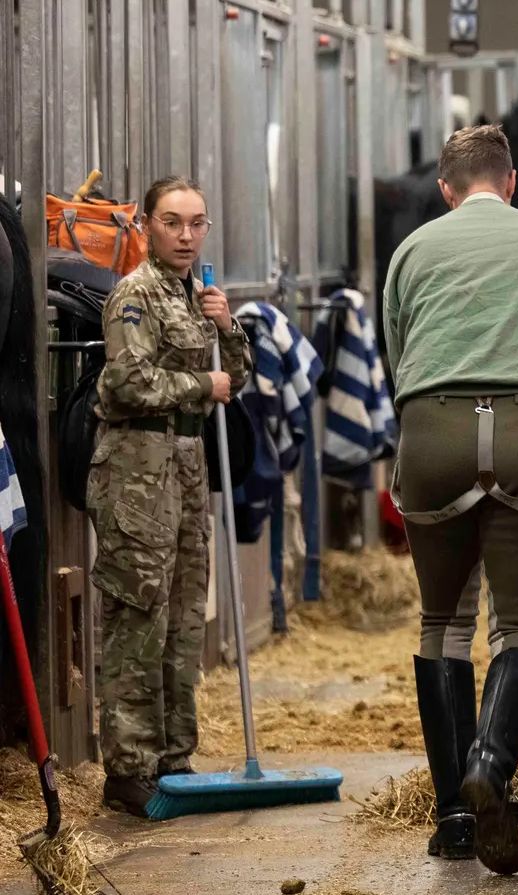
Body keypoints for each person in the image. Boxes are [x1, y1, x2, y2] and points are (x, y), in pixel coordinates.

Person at [383, 124, 518, 875]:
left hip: (433, 431)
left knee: (442, 622)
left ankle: (454, 818)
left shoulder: (413, 249)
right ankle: (489, 762)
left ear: (446, 189)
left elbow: (400, 353)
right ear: (511, 182)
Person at [90, 176, 251, 817]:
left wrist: (228, 327)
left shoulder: (195, 296)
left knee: (185, 613)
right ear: (147, 227)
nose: (186, 236)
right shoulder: (135, 294)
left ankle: (174, 756)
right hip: (138, 466)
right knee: (138, 612)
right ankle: (128, 767)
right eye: (172, 222)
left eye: (197, 223)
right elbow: (125, 383)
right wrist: (201, 385)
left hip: (185, 463)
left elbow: (235, 379)